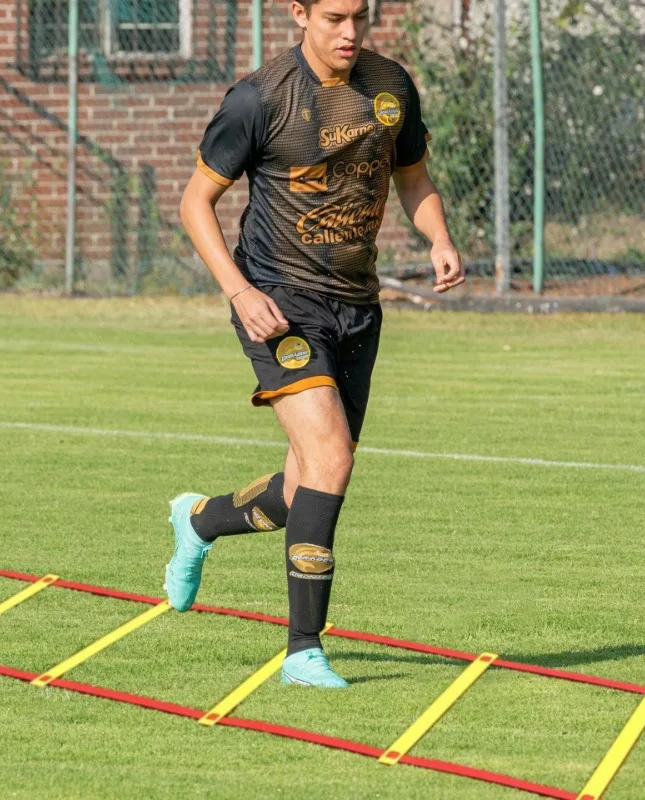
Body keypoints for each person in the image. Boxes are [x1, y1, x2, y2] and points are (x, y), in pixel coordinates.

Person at [167, 0, 465, 688]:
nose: (350, 33)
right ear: (298, 13)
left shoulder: (391, 87)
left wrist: (440, 237)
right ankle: (303, 650)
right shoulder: (259, 98)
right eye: (333, 17)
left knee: (305, 484)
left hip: (358, 310)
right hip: (280, 306)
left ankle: (201, 521)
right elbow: (194, 202)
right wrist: (241, 292)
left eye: (360, 16)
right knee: (331, 456)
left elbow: (412, 175)